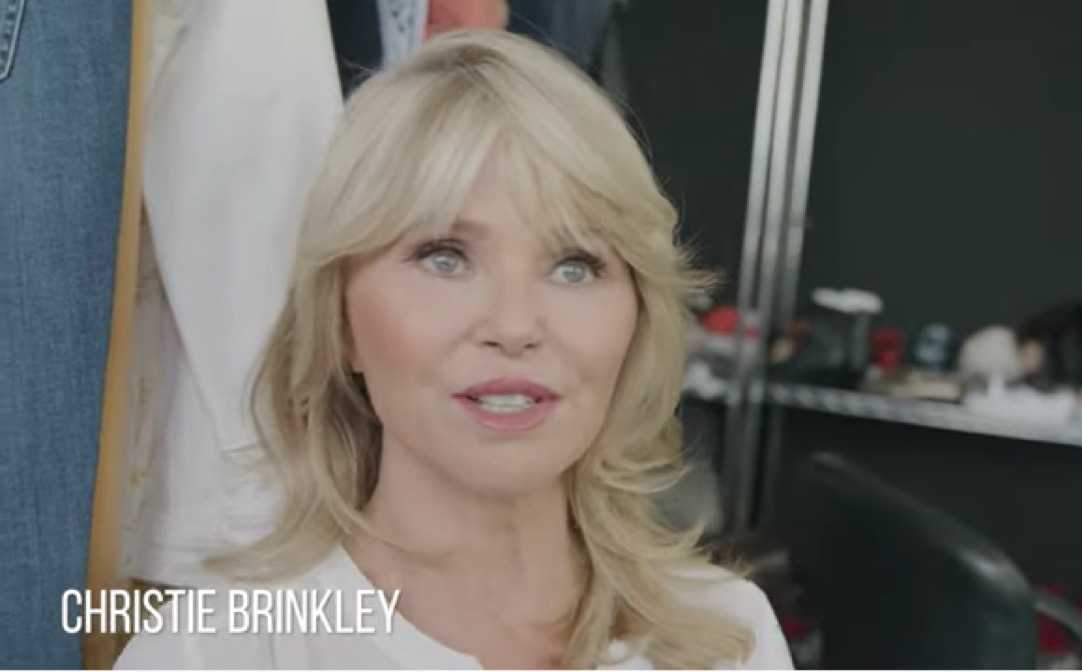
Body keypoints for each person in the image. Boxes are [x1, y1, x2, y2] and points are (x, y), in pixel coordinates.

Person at [116, 29, 793, 670]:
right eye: (444, 257)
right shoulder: (213, 653)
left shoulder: (730, 637)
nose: (515, 324)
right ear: (339, 321)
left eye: (574, 267)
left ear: (638, 319)